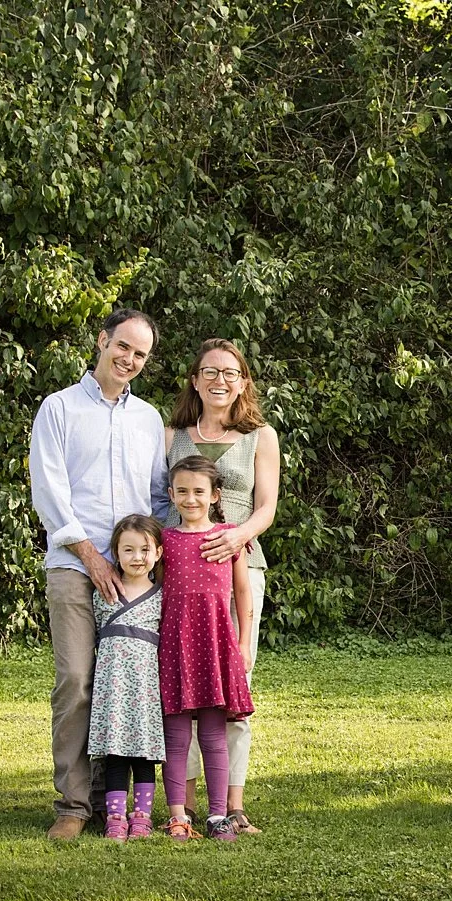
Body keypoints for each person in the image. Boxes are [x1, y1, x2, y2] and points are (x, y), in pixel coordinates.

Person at [29, 308, 168, 840]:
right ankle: (73, 803)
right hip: (74, 563)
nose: (129, 359)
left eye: (140, 354)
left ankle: (119, 797)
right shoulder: (58, 408)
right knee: (78, 680)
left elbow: (158, 498)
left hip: (134, 577)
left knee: (131, 683)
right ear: (101, 340)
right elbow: (49, 490)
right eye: (123, 346)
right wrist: (91, 555)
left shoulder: (148, 419)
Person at [166, 338, 280, 836]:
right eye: (210, 372)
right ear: (195, 379)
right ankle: (186, 806)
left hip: (238, 570)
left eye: (230, 373)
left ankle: (231, 803)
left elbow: (266, 507)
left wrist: (235, 536)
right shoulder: (172, 435)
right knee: (184, 686)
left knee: (233, 687)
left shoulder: (261, 436)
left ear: (243, 382)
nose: (219, 381)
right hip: (182, 577)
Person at [158, 455, 255, 842]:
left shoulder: (229, 537)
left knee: (214, 736)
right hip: (175, 647)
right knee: (176, 737)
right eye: (182, 491)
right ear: (170, 495)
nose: (190, 499)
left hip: (216, 647)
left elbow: (243, 593)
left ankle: (218, 816)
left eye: (199, 491)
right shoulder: (164, 541)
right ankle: (178, 815)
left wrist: (244, 643)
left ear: (215, 495)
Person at [89, 515, 167, 842]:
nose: (137, 557)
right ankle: (116, 817)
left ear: (158, 553)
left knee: (144, 754)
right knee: (116, 753)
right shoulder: (104, 594)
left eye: (144, 549)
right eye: (128, 550)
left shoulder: (163, 596)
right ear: (115, 554)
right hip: (113, 690)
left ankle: (142, 816)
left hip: (146, 691)